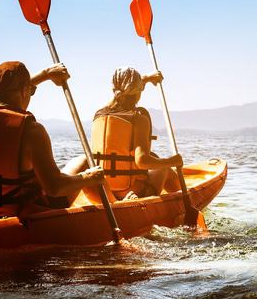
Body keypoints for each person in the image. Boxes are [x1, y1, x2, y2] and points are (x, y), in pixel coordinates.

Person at [0, 60, 105, 217]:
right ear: (25, 90)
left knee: (81, 161)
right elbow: (55, 188)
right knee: (88, 165)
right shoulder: (32, 131)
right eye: (31, 91)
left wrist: (46, 74)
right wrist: (90, 178)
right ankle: (118, 208)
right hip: (23, 213)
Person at [69, 67, 182, 200]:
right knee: (165, 168)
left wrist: (146, 79)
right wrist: (173, 161)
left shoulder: (99, 114)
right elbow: (142, 161)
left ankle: (115, 200)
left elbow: (124, 91)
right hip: (132, 191)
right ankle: (183, 197)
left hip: (101, 192)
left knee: (160, 163)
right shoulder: (138, 119)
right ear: (138, 91)